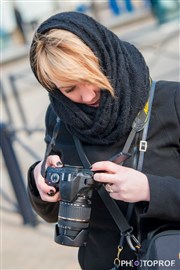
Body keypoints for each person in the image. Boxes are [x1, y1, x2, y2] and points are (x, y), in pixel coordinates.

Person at [28, 11, 180, 270]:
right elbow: (52, 214)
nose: (87, 97)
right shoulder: (58, 116)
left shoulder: (172, 101)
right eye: (69, 88)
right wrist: (38, 181)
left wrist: (150, 189)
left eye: (90, 78)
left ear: (106, 58)